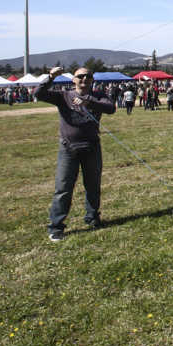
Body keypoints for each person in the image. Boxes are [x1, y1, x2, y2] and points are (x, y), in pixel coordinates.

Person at [35, 66, 115, 242]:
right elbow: (39, 94)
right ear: (73, 79)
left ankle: (92, 218)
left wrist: (88, 102)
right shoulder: (63, 96)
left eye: (88, 76)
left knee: (93, 186)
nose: (84, 79)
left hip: (92, 147)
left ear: (92, 80)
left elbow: (110, 108)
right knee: (63, 188)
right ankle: (56, 227)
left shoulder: (98, 95)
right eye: (80, 76)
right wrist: (50, 77)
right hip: (68, 148)